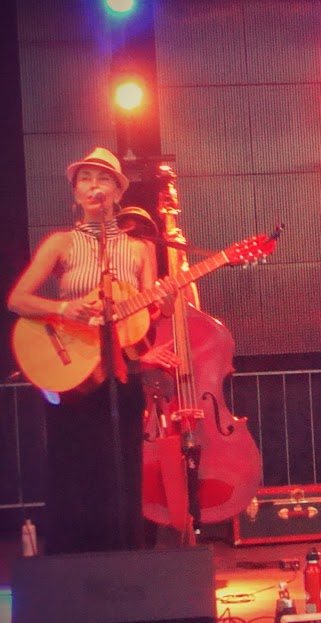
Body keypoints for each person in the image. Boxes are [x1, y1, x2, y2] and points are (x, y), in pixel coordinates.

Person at [7, 147, 178, 554]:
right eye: (85, 179)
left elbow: (152, 312)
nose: (93, 186)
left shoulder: (139, 249)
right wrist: (64, 308)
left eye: (103, 179)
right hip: (73, 375)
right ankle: (73, 562)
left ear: (118, 192)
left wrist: (168, 298)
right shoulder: (61, 243)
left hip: (121, 374)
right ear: (76, 192)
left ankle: (124, 562)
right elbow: (17, 299)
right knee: (74, 470)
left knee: (120, 471)